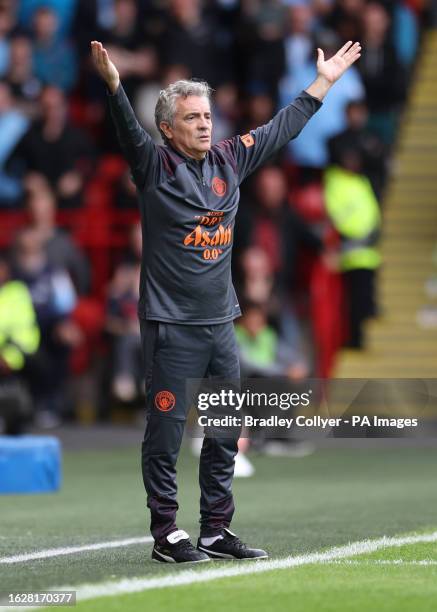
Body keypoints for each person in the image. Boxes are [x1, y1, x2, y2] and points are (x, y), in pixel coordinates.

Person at [91, 37, 361, 564]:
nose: (204, 124)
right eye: (191, 117)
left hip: (221, 326)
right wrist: (115, 87)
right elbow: (126, 131)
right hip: (171, 326)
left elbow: (282, 128)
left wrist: (324, 82)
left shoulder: (229, 161)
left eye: (207, 115)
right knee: (166, 433)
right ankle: (167, 533)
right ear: (167, 128)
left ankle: (216, 529)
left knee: (224, 432)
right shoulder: (153, 167)